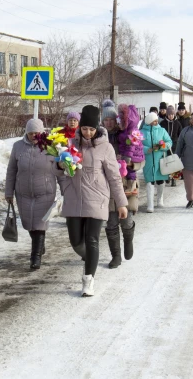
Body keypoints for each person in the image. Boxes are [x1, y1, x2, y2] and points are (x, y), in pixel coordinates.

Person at [60, 105, 128, 296]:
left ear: (97, 128)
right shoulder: (71, 144)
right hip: (73, 198)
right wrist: (60, 165)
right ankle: (91, 258)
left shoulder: (105, 147)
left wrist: (121, 203)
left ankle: (88, 280)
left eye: (91, 129)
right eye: (84, 129)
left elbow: (114, 177)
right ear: (79, 127)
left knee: (92, 240)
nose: (88, 133)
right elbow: (59, 171)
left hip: (97, 198)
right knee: (75, 241)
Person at [5, 118, 61, 271]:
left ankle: (35, 256)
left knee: (39, 224)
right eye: (30, 133)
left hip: (45, 192)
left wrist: (65, 191)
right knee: (29, 224)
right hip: (23, 193)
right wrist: (9, 191)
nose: (33, 136)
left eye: (36, 133)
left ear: (41, 132)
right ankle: (39, 245)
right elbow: (11, 170)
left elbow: (60, 170)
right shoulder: (18, 147)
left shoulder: (51, 146)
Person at [101, 100, 143, 269]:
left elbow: (141, 159)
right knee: (111, 222)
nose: (108, 122)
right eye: (105, 120)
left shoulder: (127, 135)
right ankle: (115, 256)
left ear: (116, 120)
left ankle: (128, 239)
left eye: (111, 119)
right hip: (106, 185)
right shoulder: (99, 138)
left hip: (127, 182)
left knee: (126, 220)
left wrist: (131, 164)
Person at [140, 112, 173, 213]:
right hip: (148, 160)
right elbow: (137, 145)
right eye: (154, 121)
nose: (156, 122)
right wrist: (146, 149)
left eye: (156, 120)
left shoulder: (162, 130)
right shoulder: (141, 132)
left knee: (160, 180)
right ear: (149, 121)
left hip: (160, 159)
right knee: (149, 181)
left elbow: (169, 142)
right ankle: (150, 204)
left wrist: (162, 146)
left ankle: (160, 199)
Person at [159, 105, 182, 187]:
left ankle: (174, 179)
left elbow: (180, 134)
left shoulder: (177, 123)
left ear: (174, 114)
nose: (171, 116)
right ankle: (167, 176)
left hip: (175, 145)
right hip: (164, 145)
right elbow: (159, 134)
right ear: (167, 115)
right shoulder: (162, 123)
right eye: (169, 114)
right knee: (166, 161)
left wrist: (179, 142)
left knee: (174, 162)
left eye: (172, 114)